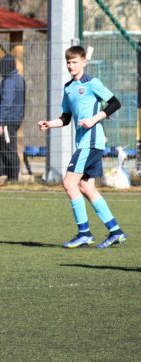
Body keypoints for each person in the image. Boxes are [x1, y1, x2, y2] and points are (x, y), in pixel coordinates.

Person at [38, 45, 126, 249]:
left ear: (84, 62)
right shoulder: (69, 88)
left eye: (75, 61)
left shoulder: (92, 83)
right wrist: (50, 123)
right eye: (68, 62)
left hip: (91, 142)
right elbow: (66, 118)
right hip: (84, 142)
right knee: (86, 187)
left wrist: (94, 119)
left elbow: (115, 103)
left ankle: (84, 233)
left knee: (69, 184)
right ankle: (115, 231)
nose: (70, 65)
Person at [0, 55, 26, 183]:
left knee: (9, 149)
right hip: (14, 118)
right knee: (8, 148)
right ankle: (7, 175)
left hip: (7, 120)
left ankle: (12, 178)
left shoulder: (10, 81)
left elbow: (7, 102)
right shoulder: (18, 79)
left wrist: (0, 122)